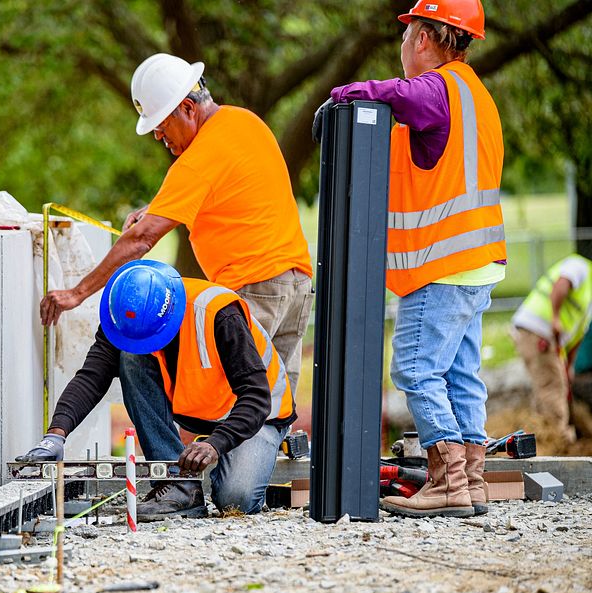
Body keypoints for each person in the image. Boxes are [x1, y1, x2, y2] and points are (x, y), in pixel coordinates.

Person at [40, 53, 313, 397]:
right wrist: (154, 207)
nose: (157, 136)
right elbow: (227, 185)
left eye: (161, 124)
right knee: (273, 404)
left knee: (222, 401)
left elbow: (141, 240)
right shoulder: (243, 122)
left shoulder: (198, 157)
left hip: (253, 288)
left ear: (187, 108)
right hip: (295, 283)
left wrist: (75, 294)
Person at [324, 0, 504, 518]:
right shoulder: (477, 95)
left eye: (406, 36)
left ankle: (447, 480)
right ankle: (471, 482)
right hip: (479, 261)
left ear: (424, 38)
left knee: (415, 369)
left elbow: (396, 94)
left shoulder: (437, 90)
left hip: (444, 266)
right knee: (461, 373)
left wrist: (343, 95)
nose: (402, 47)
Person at [19, 259, 297, 519]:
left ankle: (235, 468)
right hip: (199, 410)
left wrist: (216, 444)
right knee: (129, 357)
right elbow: (91, 377)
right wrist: (55, 436)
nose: (148, 344)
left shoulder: (218, 314)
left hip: (258, 415)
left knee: (235, 500)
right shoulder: (124, 320)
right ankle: (178, 486)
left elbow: (256, 397)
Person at [511, 254, 592, 444]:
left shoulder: (588, 299)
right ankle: (558, 441)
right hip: (538, 329)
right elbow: (561, 285)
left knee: (552, 384)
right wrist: (554, 318)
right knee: (552, 386)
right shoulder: (581, 266)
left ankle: (540, 435)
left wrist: (569, 365)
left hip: (545, 336)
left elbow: (578, 334)